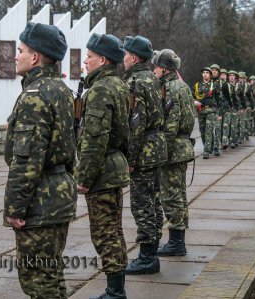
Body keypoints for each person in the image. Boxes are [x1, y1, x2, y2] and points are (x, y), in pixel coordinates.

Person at [3, 22, 77, 298]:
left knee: (38, 282)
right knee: (52, 275)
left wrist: (15, 208)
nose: (15, 55)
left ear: (34, 57)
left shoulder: (34, 96)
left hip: (40, 201)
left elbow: (26, 161)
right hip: (58, 194)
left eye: (20, 50)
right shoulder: (60, 89)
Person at [75, 33, 129, 299]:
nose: (85, 61)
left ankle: (115, 292)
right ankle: (116, 288)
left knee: (104, 234)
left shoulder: (101, 89)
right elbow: (126, 129)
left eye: (89, 56)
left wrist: (83, 177)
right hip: (113, 167)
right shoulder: (118, 84)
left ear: (102, 59)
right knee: (114, 230)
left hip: (103, 172)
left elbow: (94, 139)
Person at [122, 35, 167, 274]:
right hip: (156, 147)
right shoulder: (151, 78)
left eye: (126, 53)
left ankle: (147, 257)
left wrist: (130, 158)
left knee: (142, 204)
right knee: (153, 202)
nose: (123, 58)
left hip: (144, 150)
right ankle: (152, 251)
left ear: (134, 57)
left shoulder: (136, 81)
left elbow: (136, 122)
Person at [152, 49, 195, 256]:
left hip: (174, 148)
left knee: (171, 196)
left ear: (164, 68)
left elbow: (171, 122)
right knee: (179, 195)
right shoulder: (183, 86)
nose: (154, 70)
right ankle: (178, 240)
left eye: (156, 67)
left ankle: (177, 243)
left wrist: (163, 150)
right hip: (183, 145)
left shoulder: (169, 88)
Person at [194, 66, 218, 159]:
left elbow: (219, 99)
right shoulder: (197, 85)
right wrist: (194, 101)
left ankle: (206, 150)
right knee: (202, 131)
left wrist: (219, 112)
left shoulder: (214, 85)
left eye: (207, 73)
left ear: (210, 75)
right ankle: (210, 146)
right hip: (201, 111)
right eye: (203, 72)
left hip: (211, 110)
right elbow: (192, 96)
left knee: (209, 130)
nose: (205, 74)